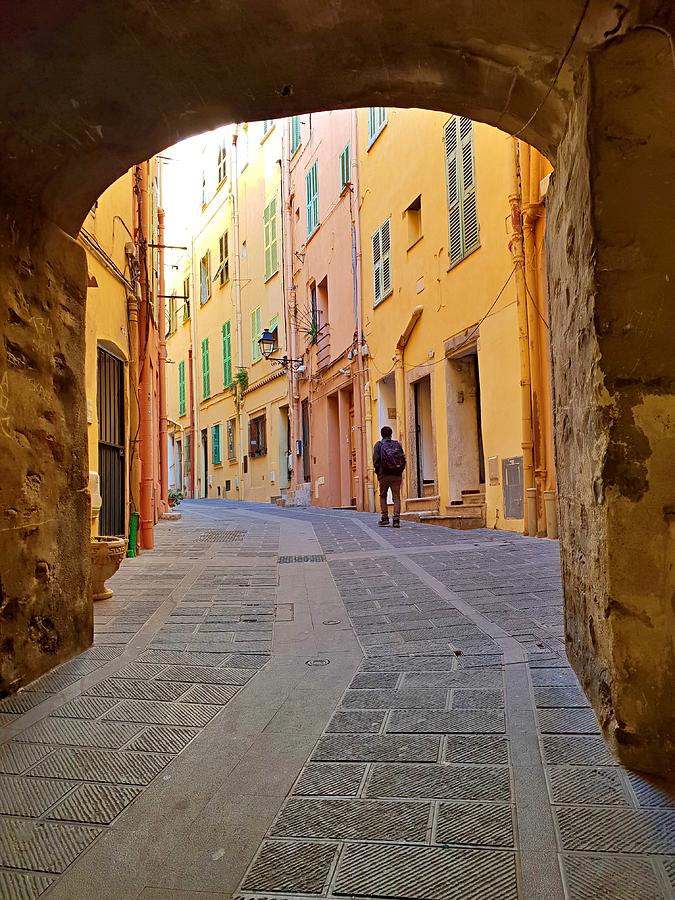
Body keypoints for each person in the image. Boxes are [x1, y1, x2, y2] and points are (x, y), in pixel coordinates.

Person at [373, 425, 406, 527]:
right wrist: (399, 470)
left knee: (383, 496)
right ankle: (396, 519)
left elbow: (376, 461)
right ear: (391, 434)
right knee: (396, 497)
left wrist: (378, 473)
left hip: (384, 475)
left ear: (381, 434)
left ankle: (385, 518)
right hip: (396, 474)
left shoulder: (378, 445)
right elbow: (403, 459)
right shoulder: (397, 444)